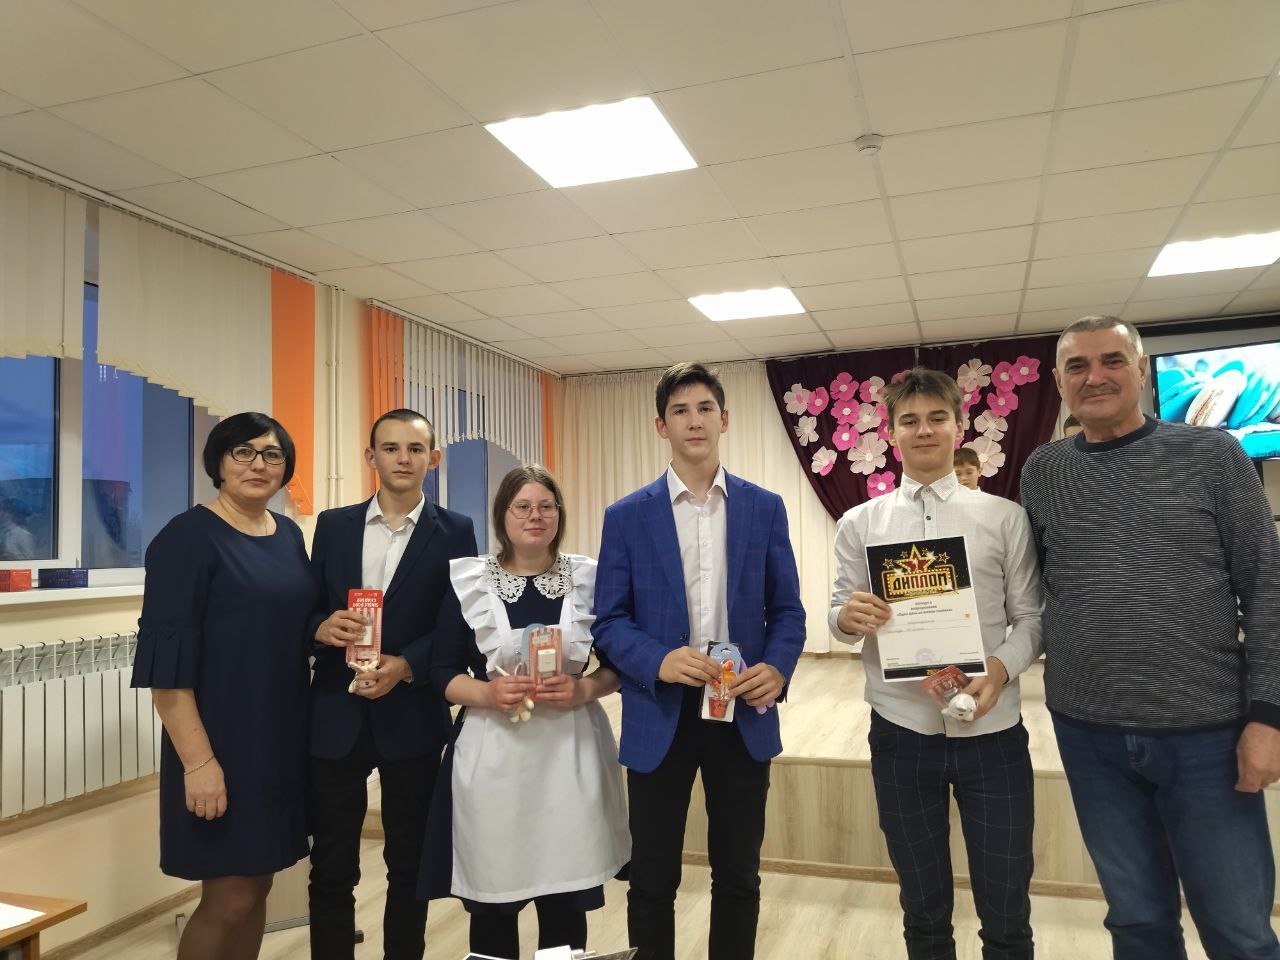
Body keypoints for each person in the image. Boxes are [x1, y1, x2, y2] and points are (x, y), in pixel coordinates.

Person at [1020, 315, 1280, 960]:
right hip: (1089, 733)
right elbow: (1045, 585)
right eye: (1077, 366)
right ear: (1058, 382)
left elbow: (1268, 584)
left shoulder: (1212, 454)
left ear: (1141, 370)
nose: (1095, 376)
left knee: (1239, 930)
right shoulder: (1044, 469)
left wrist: (1269, 716)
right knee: (1137, 922)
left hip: (1205, 734)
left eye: (1112, 360)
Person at [592, 361, 806, 960]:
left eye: (705, 408)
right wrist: (658, 660)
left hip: (741, 709)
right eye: (680, 411)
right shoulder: (626, 515)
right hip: (660, 711)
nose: (694, 421)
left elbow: (788, 610)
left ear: (724, 419)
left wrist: (778, 668)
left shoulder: (764, 508)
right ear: (661, 426)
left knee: (738, 874)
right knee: (651, 878)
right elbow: (609, 620)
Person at [829, 368, 1042, 960]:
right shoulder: (860, 523)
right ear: (890, 432)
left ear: (959, 425)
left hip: (993, 736)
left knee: (1007, 914)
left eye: (936, 418)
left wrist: (998, 670)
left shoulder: (1004, 518)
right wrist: (849, 618)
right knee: (922, 914)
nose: (924, 430)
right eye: (909, 420)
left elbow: (1032, 618)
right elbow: (837, 619)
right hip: (901, 735)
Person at [420, 465, 629, 960]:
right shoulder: (469, 581)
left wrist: (583, 689)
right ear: (502, 515)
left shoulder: (589, 579)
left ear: (559, 514)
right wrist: (488, 693)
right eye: (523, 506)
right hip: (493, 759)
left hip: (569, 755)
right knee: (494, 902)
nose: (535, 516)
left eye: (546, 506)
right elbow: (441, 673)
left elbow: (618, 667)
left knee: (565, 901)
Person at [131, 412, 314, 960]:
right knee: (229, 896)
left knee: (258, 885)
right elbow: (166, 674)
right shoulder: (187, 538)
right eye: (243, 452)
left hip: (278, 740)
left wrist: (324, 629)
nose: (258, 464)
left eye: (272, 454)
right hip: (218, 744)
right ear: (218, 462)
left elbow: (285, 625)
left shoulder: (287, 535)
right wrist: (199, 765)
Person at [307, 409, 477, 960]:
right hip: (336, 713)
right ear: (371, 456)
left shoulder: (457, 530)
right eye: (390, 448)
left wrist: (406, 665)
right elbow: (309, 606)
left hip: (412, 714)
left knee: (409, 863)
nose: (403, 458)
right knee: (331, 866)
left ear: (434, 458)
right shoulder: (333, 525)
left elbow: (457, 624)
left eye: (415, 448)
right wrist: (321, 626)